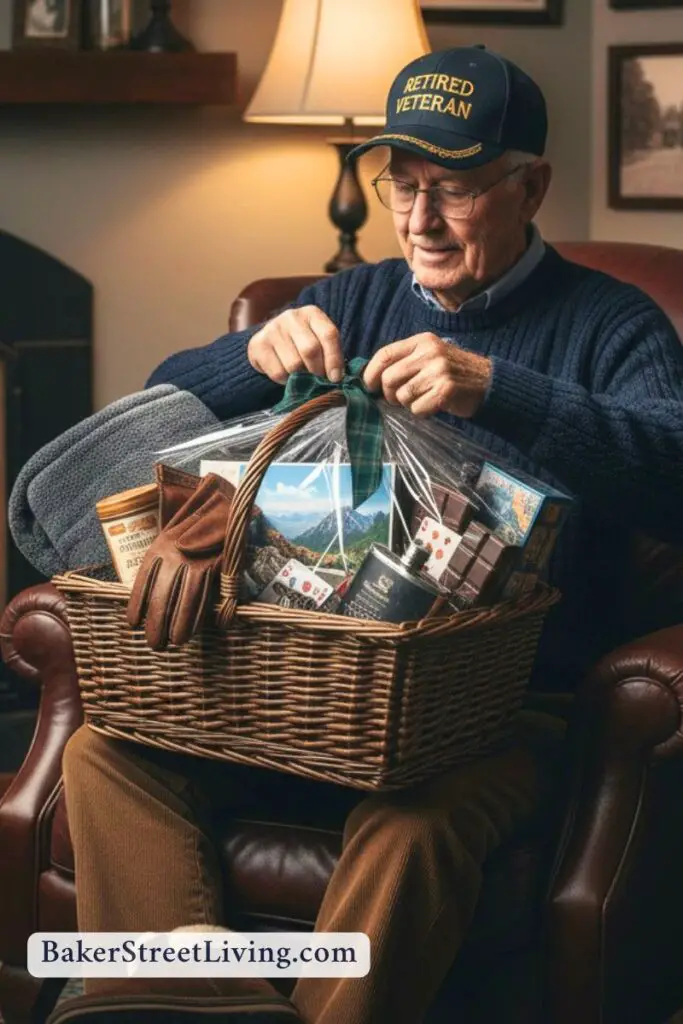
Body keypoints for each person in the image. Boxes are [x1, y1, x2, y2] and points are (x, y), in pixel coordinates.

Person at [57, 45, 683, 1024]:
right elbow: (169, 412)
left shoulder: (612, 325)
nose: (420, 220)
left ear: (531, 186)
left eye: (458, 190)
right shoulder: (348, 297)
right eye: (404, 185)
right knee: (104, 754)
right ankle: (185, 1002)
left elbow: (669, 473)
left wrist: (500, 392)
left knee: (411, 823)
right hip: (307, 690)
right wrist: (243, 360)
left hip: (503, 710)